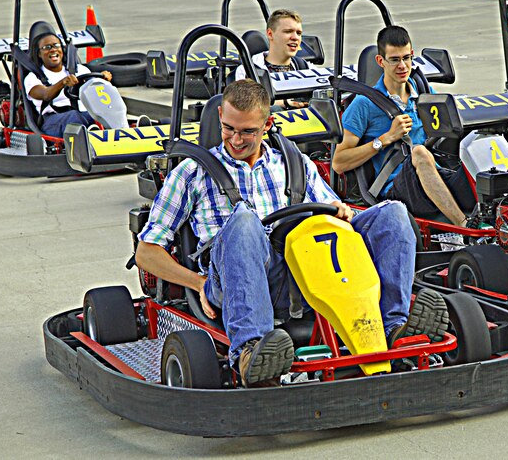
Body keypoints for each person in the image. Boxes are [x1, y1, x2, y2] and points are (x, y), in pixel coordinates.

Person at [135, 79, 448, 387]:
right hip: (234, 280)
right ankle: (251, 352)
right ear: (220, 117)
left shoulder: (294, 163)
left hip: (307, 271)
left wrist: (343, 213)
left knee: (392, 212)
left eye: (248, 131)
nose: (237, 139)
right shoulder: (192, 173)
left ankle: (395, 327)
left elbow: (331, 211)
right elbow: (146, 252)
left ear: (268, 124)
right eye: (229, 128)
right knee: (244, 221)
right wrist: (197, 282)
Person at [332, 25, 476, 227]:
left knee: (480, 141)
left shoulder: (425, 92)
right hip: (395, 189)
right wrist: (385, 139)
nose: (402, 66)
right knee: (419, 153)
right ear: (380, 61)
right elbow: (338, 162)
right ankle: (464, 227)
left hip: (435, 177)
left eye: (406, 58)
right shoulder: (363, 104)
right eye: (395, 60)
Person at [22, 22, 114, 138]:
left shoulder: (79, 69)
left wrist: (104, 80)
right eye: (47, 48)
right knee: (74, 117)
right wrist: (63, 82)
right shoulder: (33, 77)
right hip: (52, 122)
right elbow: (45, 94)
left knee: (104, 113)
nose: (53, 50)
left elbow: (96, 89)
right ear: (39, 54)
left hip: (83, 115)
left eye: (56, 45)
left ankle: (124, 134)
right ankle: (90, 138)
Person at [234, 8, 309, 110]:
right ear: (270, 34)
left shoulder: (305, 67)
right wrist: (285, 103)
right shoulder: (247, 71)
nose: (295, 37)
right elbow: (243, 106)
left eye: (299, 33)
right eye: (288, 31)